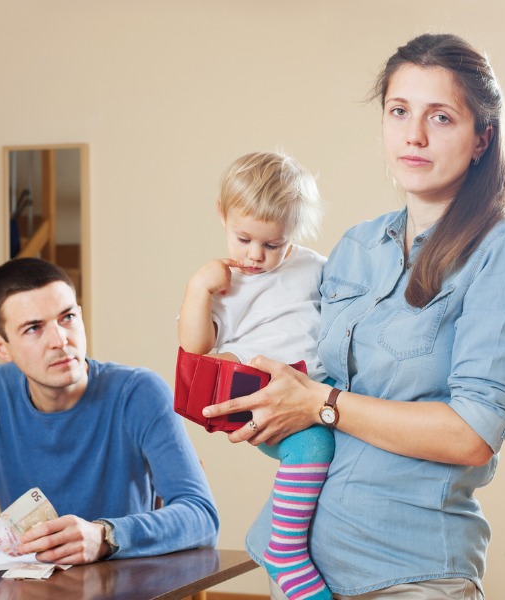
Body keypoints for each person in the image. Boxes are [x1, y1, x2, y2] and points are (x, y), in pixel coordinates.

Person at [201, 34, 505, 599]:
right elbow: (311, 369)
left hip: (407, 574)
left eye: (441, 117)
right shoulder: (356, 246)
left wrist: (321, 403)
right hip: (300, 570)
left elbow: (471, 435)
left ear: (482, 137)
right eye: (399, 111)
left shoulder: (503, 253)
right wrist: (264, 395)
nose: (413, 135)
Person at [0, 257, 219, 564]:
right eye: (33, 328)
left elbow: (201, 516)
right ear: (2, 348)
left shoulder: (140, 392)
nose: (60, 340)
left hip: (123, 586)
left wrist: (105, 536)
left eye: (67, 317)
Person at [178, 151, 335, 600]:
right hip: (263, 399)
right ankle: (284, 547)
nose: (255, 255)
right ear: (222, 215)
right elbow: (195, 347)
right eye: (243, 238)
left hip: (318, 389)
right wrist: (197, 290)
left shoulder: (314, 268)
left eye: (272, 244)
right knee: (315, 442)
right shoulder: (223, 281)